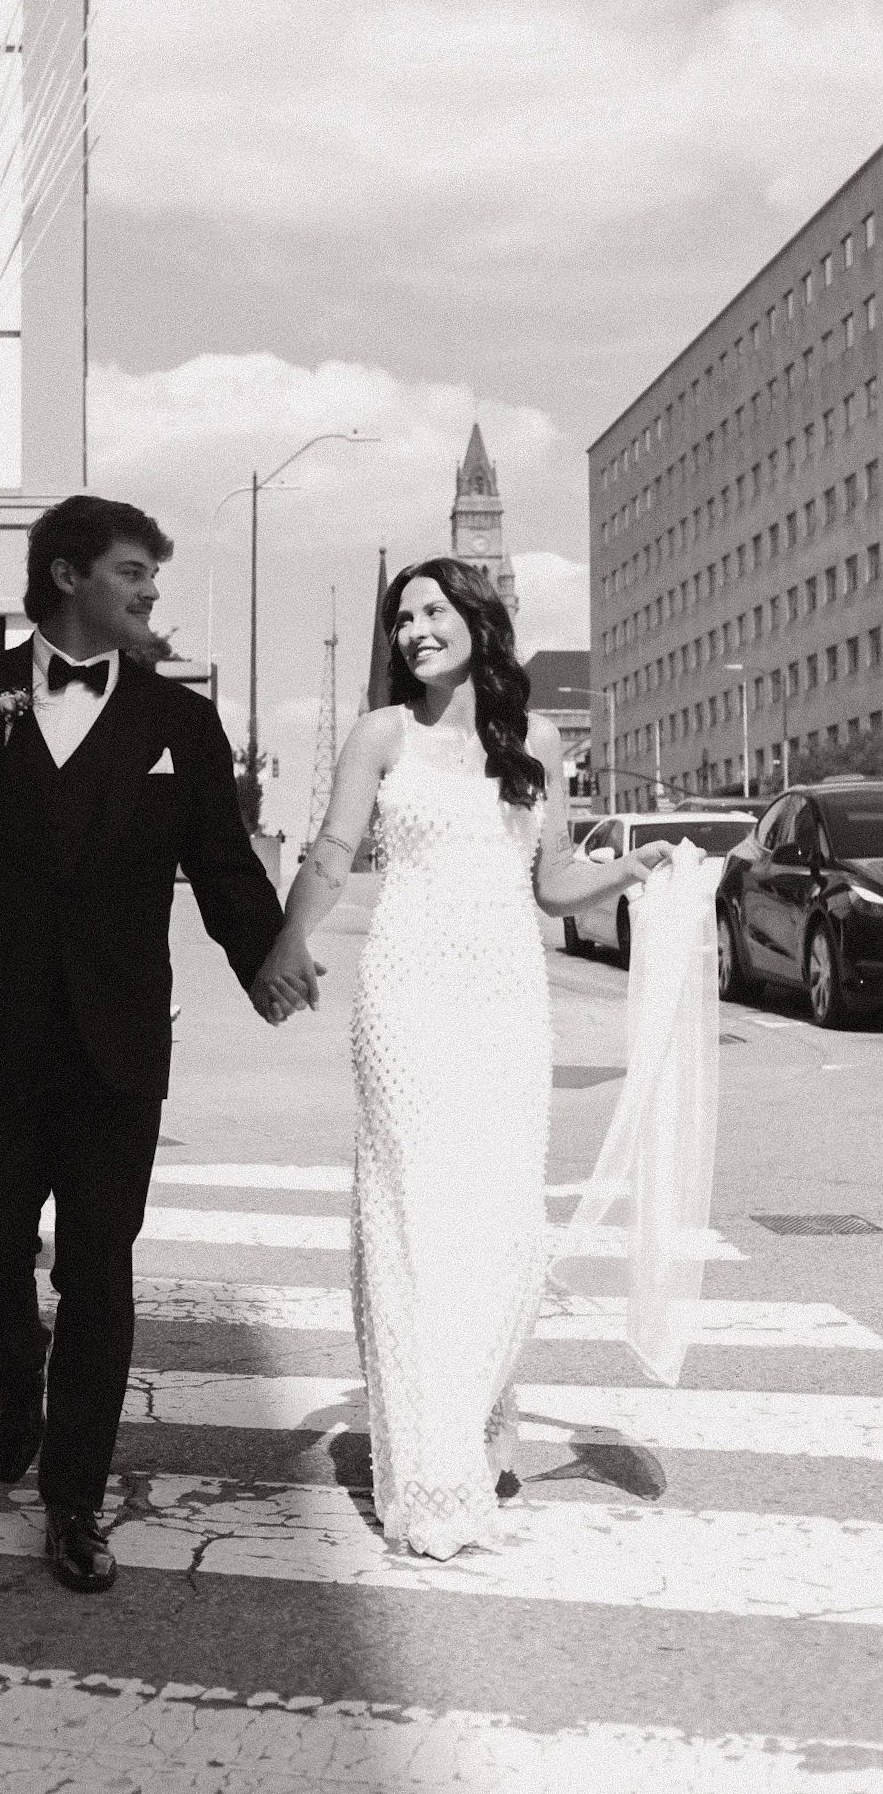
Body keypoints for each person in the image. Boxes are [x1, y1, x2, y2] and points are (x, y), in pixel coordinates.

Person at [0, 495, 284, 1593]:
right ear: (65, 574)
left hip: (115, 1042)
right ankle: (14, 1347)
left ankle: (76, 1500)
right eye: (133, 571)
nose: (148, 594)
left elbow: (225, 867)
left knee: (101, 1267)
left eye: (151, 576)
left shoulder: (178, 724)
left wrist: (268, 959)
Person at [251, 556, 675, 1560]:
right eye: (402, 617)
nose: (414, 631)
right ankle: (432, 1459)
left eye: (433, 611)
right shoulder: (381, 733)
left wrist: (628, 868)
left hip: (505, 1003)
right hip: (405, 996)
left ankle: (486, 1414)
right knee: (410, 1212)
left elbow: (554, 879)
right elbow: (328, 851)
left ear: (479, 621)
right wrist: (285, 943)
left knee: (496, 1216)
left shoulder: (535, 741)